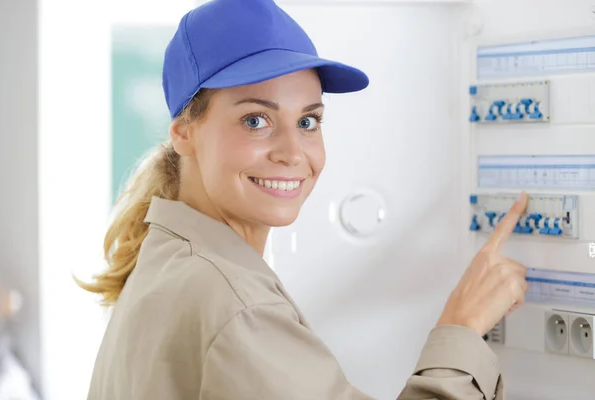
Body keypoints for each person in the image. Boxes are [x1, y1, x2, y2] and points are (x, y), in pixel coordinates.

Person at [79, 0, 529, 398]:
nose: (293, 153)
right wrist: (462, 328)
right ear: (184, 133)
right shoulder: (237, 306)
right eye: (256, 120)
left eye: (309, 121)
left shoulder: (166, 260)